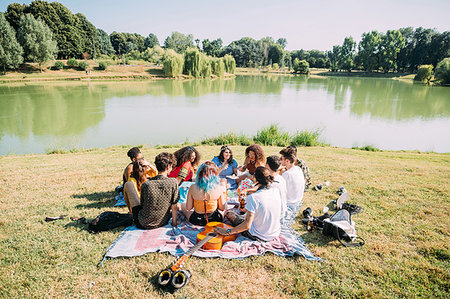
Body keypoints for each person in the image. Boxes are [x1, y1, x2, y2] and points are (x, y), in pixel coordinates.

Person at [215, 167, 281, 242]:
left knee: (230, 213)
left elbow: (247, 225)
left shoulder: (254, 197)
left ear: (255, 178)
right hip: (274, 233)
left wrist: (228, 232)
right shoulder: (276, 190)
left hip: (259, 235)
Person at [126, 152, 180, 229]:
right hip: (162, 222)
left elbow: (142, 205)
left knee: (128, 184)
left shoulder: (146, 184)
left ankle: (130, 213)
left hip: (142, 223)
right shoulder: (173, 182)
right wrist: (174, 223)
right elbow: (174, 206)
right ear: (168, 167)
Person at [182, 161, 226, 225]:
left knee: (183, 205)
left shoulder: (193, 187)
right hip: (216, 219)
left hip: (197, 220)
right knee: (226, 205)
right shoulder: (218, 187)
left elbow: (189, 208)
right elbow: (222, 208)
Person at [280, 147, 305, 221]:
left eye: (282, 159)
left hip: (289, 205)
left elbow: (278, 190)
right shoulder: (298, 169)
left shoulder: (287, 175)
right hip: (298, 201)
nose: (280, 161)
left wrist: (280, 174)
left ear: (287, 161)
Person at [266, 155, 287, 222]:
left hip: (274, 216)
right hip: (282, 212)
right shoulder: (281, 179)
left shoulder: (270, 183)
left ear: (267, 166)